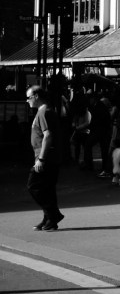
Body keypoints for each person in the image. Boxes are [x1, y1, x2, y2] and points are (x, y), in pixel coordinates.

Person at [26, 84, 65, 231]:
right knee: (47, 188)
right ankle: (49, 219)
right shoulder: (46, 111)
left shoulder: (43, 112)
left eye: (29, 97)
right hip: (49, 156)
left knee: (33, 185)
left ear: (36, 97)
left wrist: (41, 159)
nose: (27, 101)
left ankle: (53, 214)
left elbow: (47, 136)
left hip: (46, 157)